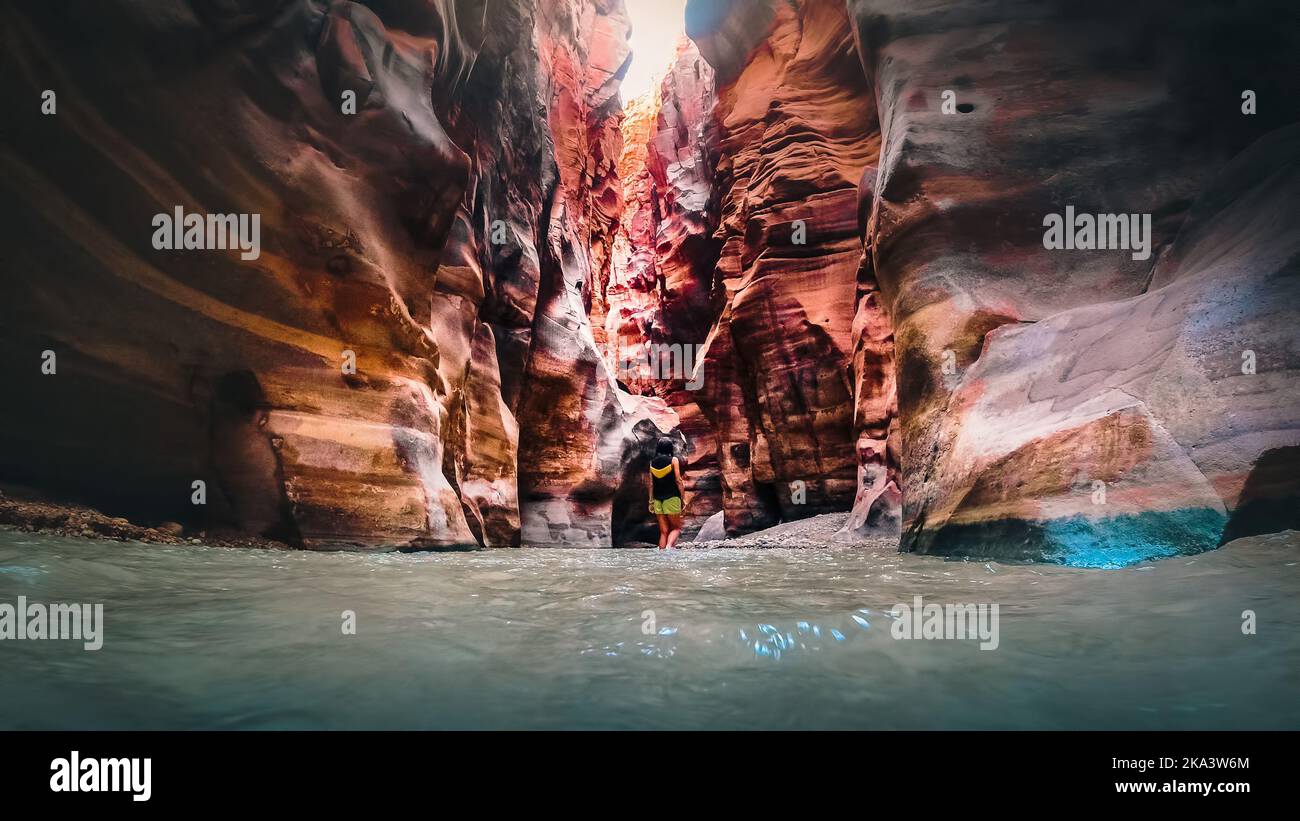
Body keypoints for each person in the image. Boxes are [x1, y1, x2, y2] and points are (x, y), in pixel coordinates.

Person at [648, 438, 686, 549]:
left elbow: (651, 484)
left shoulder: (652, 462)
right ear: (670, 447)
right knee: (676, 528)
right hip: (672, 498)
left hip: (657, 500)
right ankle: (669, 547)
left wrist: (650, 502)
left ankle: (662, 553)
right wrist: (683, 498)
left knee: (663, 532)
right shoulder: (673, 460)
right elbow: (678, 480)